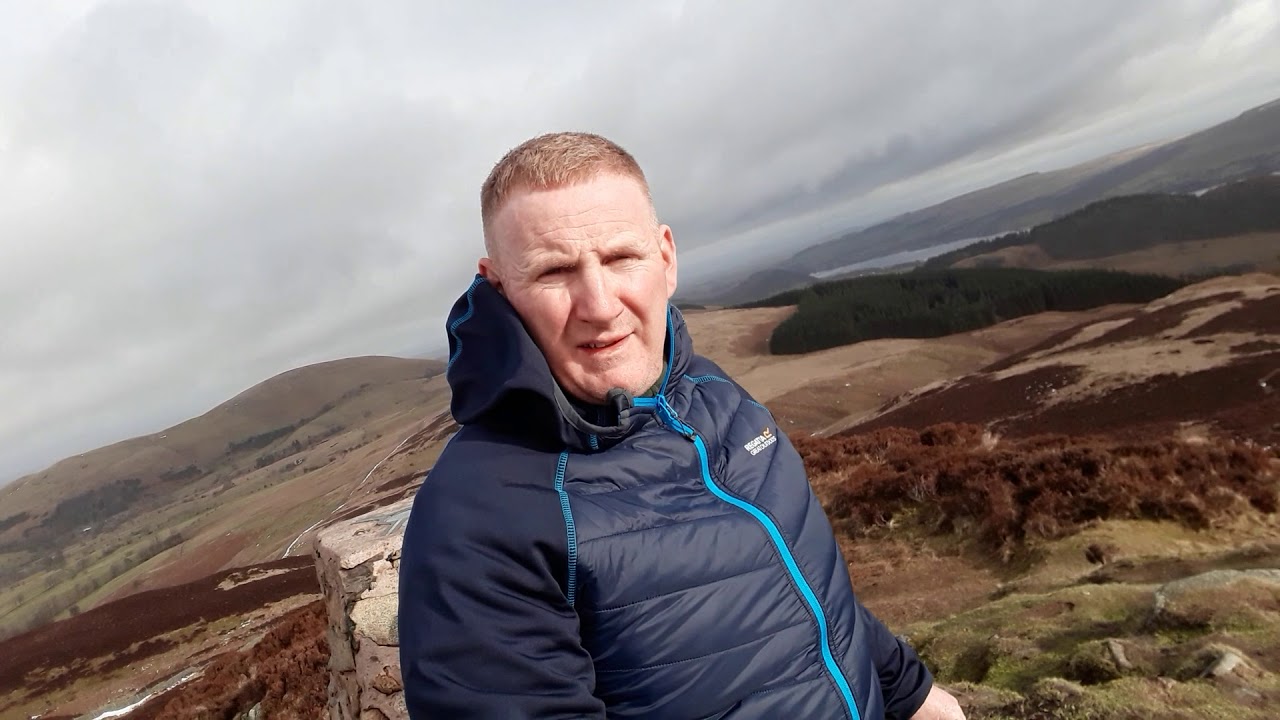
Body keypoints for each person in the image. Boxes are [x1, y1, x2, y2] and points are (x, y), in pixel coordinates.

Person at [397, 131, 965, 719]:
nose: (599, 304)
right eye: (554, 272)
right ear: (499, 289)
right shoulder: (479, 518)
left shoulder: (714, 394)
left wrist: (911, 692)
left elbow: (801, 586)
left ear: (665, 257)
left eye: (622, 258)